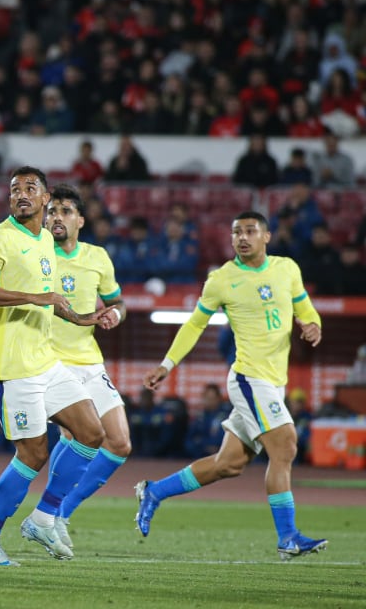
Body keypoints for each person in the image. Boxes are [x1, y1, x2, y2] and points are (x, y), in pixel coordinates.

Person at [0, 167, 116, 566]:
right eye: (14, 189)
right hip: (13, 366)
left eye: (29, 188)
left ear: (45, 199)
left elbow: (50, 299)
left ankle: (43, 516)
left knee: (91, 432)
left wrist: (81, 318)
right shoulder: (0, 237)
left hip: (46, 360)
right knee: (33, 455)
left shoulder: (44, 242)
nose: (20, 194)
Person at [136, 211, 327, 560]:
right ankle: (288, 537)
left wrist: (313, 326)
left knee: (229, 464)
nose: (242, 237)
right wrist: (167, 364)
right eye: (237, 231)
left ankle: (154, 492)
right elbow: (194, 325)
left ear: (266, 236)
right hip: (248, 379)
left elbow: (307, 311)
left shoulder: (287, 269)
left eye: (250, 231)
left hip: (274, 381)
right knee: (284, 446)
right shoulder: (222, 279)